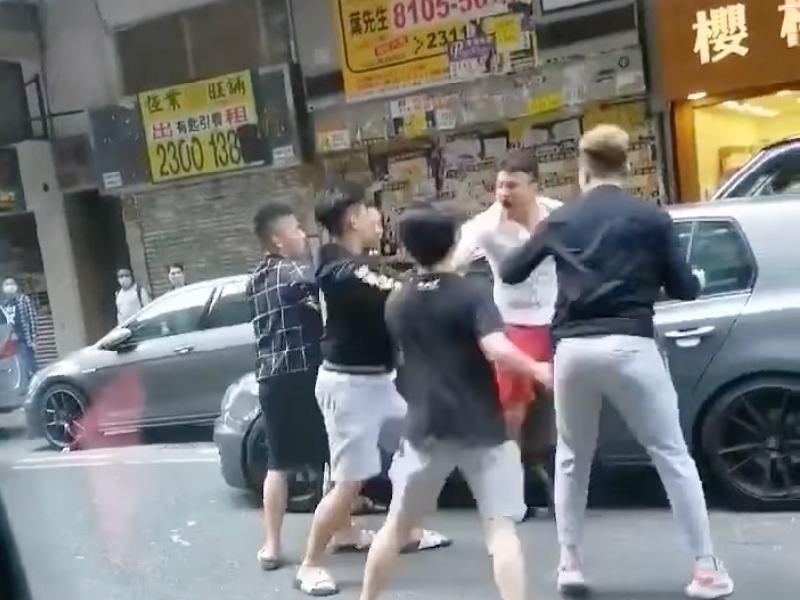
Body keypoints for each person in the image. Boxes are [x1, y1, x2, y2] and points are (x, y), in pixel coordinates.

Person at [500, 124, 734, 598]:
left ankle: (569, 563)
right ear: (625, 166)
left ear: (582, 169)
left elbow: (511, 271)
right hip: (631, 344)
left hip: (572, 351)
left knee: (572, 457)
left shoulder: (562, 219)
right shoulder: (650, 217)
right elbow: (685, 287)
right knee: (670, 454)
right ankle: (705, 569)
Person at [359, 203, 552, 600]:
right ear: (456, 241)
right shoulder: (472, 294)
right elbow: (495, 347)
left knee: (395, 528)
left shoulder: (398, 301)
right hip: (483, 428)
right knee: (500, 532)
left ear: (408, 248)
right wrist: (537, 368)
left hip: (425, 429)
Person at [295, 179, 450, 597]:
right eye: (369, 209)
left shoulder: (356, 264)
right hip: (351, 387)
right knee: (350, 482)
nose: (378, 217)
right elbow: (399, 290)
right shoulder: (341, 270)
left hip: (379, 381)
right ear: (352, 219)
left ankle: (405, 529)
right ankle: (311, 564)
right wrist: (443, 277)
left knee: (421, 448)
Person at [450, 150, 561, 515]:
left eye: (512, 185)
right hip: (514, 323)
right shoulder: (485, 225)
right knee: (512, 412)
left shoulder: (557, 215)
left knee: (560, 407)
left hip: (557, 319)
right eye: (499, 186)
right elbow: (454, 263)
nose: (503, 193)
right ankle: (510, 490)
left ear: (534, 185)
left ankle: (558, 486)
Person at [247, 202, 330, 571]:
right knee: (331, 456)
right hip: (305, 374)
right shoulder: (296, 272)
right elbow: (320, 306)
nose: (303, 235)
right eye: (297, 228)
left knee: (277, 463)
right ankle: (341, 530)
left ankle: (272, 546)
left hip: (269, 378)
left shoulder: (253, 280)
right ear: (279, 240)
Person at [1, 277, 38, 379]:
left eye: (11, 284)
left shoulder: (24, 300)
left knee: (28, 364)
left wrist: (34, 339)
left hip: (24, 339)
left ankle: (33, 382)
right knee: (16, 366)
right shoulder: (5, 304)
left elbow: (32, 318)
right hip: (10, 341)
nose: (9, 287)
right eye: (6, 284)